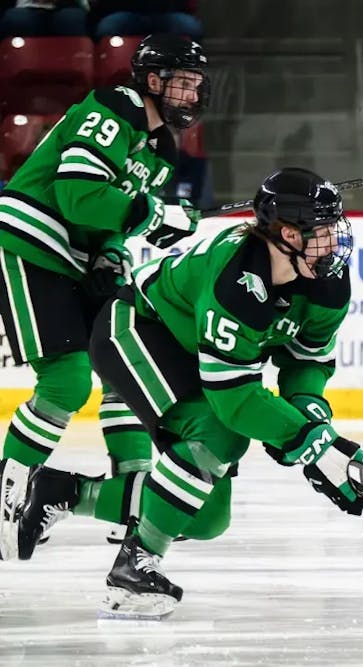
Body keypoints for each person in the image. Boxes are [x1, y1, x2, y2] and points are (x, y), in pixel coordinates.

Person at [16, 167, 363, 619]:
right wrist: (311, 444)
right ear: (288, 233)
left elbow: (306, 361)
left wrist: (313, 422)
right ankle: (134, 566)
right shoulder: (238, 280)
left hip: (193, 352)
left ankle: (64, 492)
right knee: (220, 434)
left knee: (206, 518)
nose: (336, 241)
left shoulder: (327, 283)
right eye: (324, 231)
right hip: (137, 329)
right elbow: (234, 398)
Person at [0, 33, 208, 561]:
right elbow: (78, 194)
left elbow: (110, 219)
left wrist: (113, 252)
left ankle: (134, 496)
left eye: (197, 84)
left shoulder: (162, 148)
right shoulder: (118, 107)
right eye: (183, 83)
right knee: (66, 380)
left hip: (75, 255)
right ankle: (9, 492)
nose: (192, 94)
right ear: (153, 81)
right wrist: (151, 216)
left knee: (123, 364)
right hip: (32, 241)